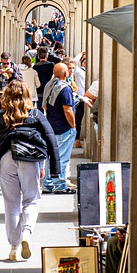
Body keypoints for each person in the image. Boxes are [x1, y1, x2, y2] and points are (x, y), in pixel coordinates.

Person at [0, 80, 60, 262]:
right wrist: (53, 169)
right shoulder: (36, 114)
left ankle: (14, 247)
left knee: (11, 204)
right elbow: (50, 139)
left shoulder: (0, 115)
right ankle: (27, 233)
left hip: (7, 159)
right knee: (31, 200)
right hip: (30, 160)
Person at [41, 61, 77, 194]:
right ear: (65, 73)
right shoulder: (65, 88)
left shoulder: (49, 86)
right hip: (63, 129)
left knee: (51, 157)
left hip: (51, 127)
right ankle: (60, 184)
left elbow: (45, 106)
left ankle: (47, 183)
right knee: (62, 158)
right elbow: (67, 110)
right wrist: (72, 125)